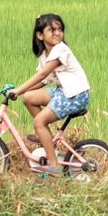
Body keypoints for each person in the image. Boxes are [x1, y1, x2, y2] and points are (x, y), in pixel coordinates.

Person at [19, 13, 92, 173]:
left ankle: (54, 166)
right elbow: (43, 81)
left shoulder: (60, 49)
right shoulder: (45, 54)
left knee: (38, 122)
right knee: (29, 97)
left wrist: (17, 89)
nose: (57, 33)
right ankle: (46, 137)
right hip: (63, 92)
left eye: (60, 29)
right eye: (52, 30)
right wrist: (20, 92)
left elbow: (42, 75)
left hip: (75, 95)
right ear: (40, 35)